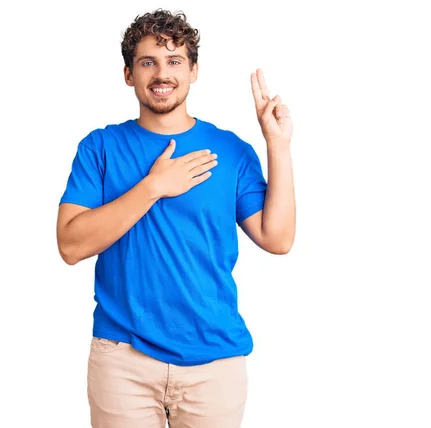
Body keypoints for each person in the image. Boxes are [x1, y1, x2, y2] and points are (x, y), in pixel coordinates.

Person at [56, 8, 295, 428]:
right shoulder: (100, 148)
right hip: (122, 360)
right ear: (129, 74)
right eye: (148, 62)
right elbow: (71, 245)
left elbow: (278, 239)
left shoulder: (232, 150)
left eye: (174, 61)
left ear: (194, 70)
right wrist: (153, 187)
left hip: (214, 363)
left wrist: (277, 143)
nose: (161, 73)